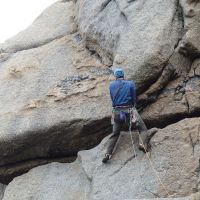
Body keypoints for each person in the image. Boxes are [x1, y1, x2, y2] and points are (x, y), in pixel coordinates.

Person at [102, 68, 157, 163]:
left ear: (116, 76)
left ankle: (108, 154)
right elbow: (133, 97)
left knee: (115, 133)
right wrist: (133, 106)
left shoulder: (111, 85)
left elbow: (112, 98)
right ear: (123, 75)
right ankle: (142, 144)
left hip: (117, 113)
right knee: (143, 128)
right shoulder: (130, 83)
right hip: (129, 111)